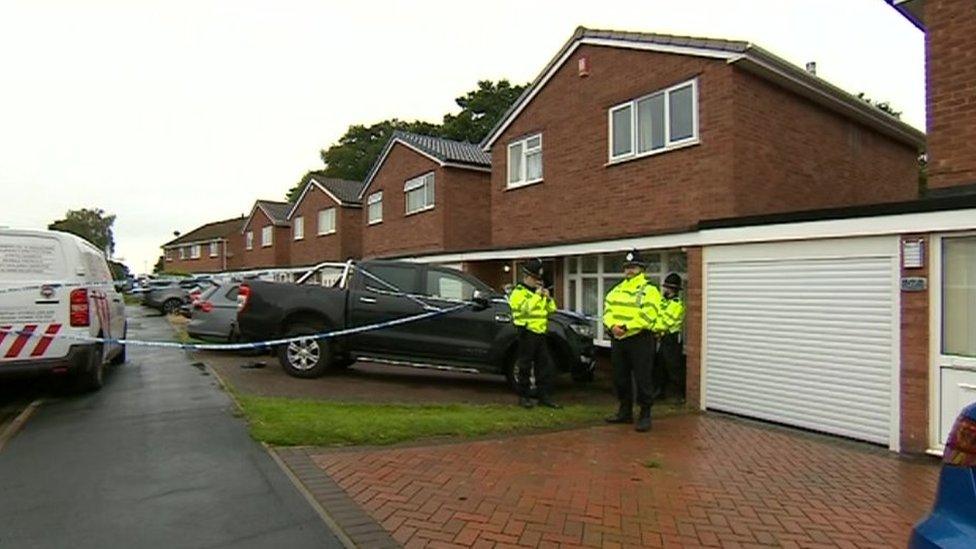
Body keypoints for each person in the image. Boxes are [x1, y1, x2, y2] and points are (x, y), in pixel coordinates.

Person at [603, 250, 662, 432]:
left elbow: (649, 315)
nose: (629, 271)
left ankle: (645, 414)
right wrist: (612, 326)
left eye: (633, 267)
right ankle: (625, 412)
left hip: (640, 339)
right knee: (620, 377)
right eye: (627, 267)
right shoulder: (617, 289)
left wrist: (626, 327)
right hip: (619, 339)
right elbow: (607, 311)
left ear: (641, 269)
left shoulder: (650, 290)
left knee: (643, 377)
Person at [508, 258, 560, 409]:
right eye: (535, 278)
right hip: (526, 332)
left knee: (543, 366)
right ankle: (523, 397)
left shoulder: (537, 293)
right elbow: (525, 309)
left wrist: (548, 298)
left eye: (539, 279)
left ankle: (544, 397)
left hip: (540, 333)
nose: (538, 281)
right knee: (524, 366)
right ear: (527, 277)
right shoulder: (518, 293)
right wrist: (537, 296)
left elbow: (552, 310)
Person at [653, 273, 686, 402]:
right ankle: (660, 392)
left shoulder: (677, 305)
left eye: (668, 287)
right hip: (662, 336)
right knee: (660, 366)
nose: (665, 289)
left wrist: (656, 330)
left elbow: (668, 322)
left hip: (671, 338)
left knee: (673, 367)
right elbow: (657, 316)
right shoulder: (663, 301)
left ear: (674, 289)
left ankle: (680, 395)